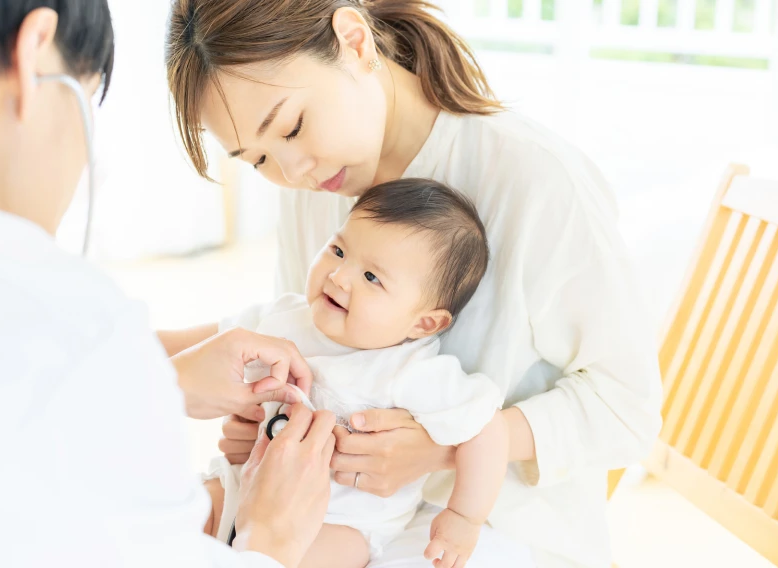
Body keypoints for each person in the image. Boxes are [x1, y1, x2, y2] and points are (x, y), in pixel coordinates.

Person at [164, 1, 664, 566]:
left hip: (493, 529)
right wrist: (267, 423)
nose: (292, 172)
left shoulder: (535, 179)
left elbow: (628, 409)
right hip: (333, 515)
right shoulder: (313, 187)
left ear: (354, 42)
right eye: (257, 159)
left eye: (293, 127)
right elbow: (309, 354)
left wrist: (445, 448)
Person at [0, 2, 336, 566]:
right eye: (88, 100)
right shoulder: (81, 325)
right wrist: (269, 538)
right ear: (35, 53)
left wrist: (157, 373)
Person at [170, 179, 507, 568]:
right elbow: (211, 346)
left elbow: (487, 429)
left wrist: (465, 516)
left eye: (371, 278)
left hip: (342, 522)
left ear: (425, 323)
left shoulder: (412, 370)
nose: (339, 276)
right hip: (243, 481)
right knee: (179, 523)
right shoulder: (284, 318)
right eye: (338, 250)